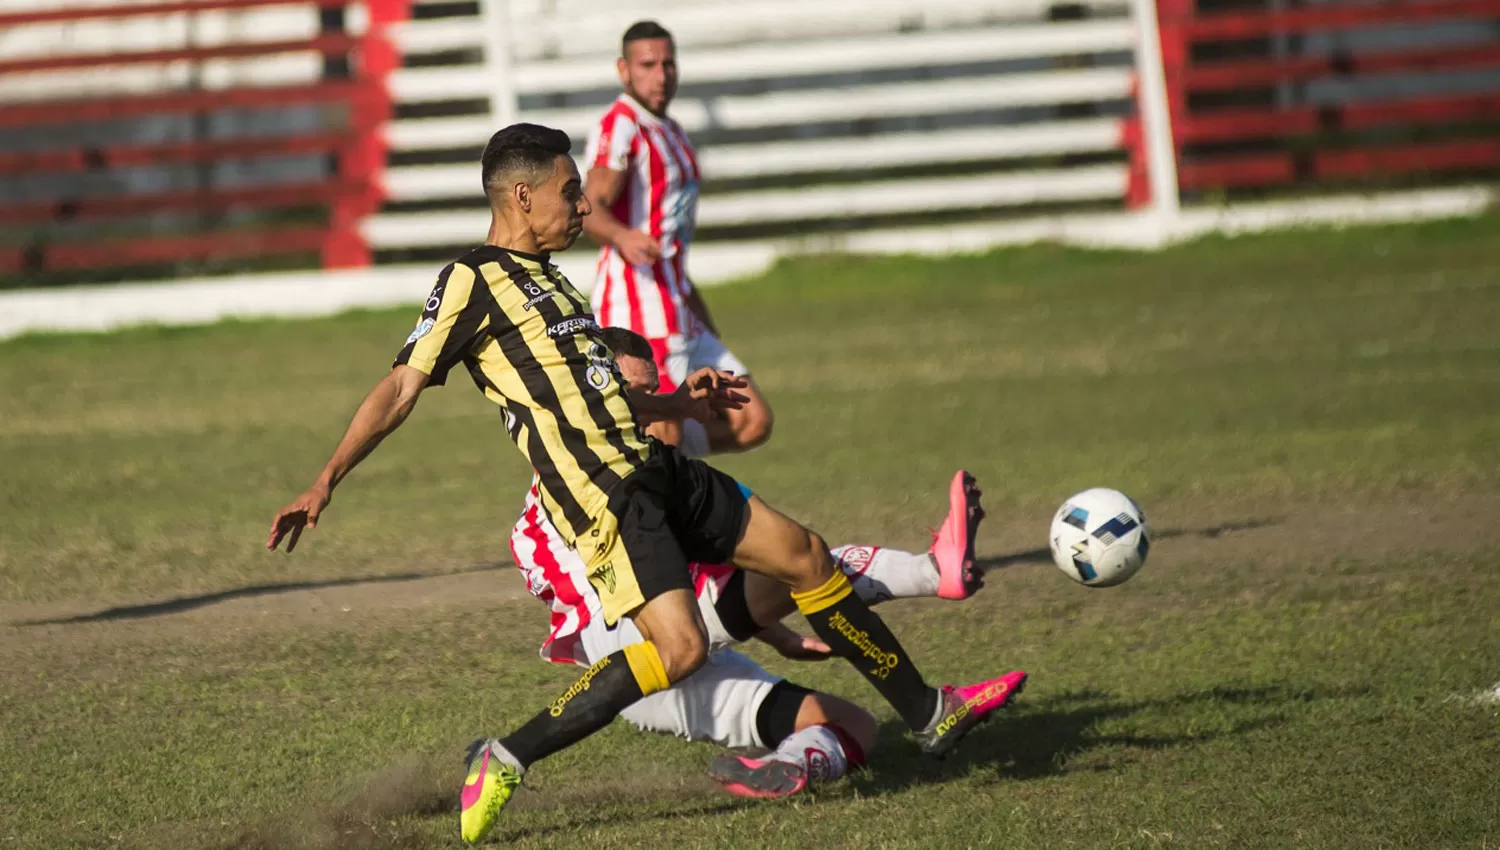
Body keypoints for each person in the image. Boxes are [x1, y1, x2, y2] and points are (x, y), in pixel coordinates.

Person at [266, 123, 1025, 846]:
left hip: (657, 467)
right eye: (571, 192)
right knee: (683, 648)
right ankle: (506, 758)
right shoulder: (472, 279)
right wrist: (325, 480)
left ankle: (929, 714)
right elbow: (402, 387)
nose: (584, 206)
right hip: (608, 497)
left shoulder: (556, 285)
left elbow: (598, 393)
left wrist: (674, 405)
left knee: (805, 555)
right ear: (521, 196)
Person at [510, 325, 992, 798]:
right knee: (806, 561)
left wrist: (777, 634)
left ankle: (790, 763)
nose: (655, 414)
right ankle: (934, 573)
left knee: (855, 724)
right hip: (630, 648)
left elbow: (698, 574)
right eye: (636, 397)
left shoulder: (634, 468)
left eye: (654, 393)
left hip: (668, 665)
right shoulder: (606, 480)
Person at [583, 20, 773, 456]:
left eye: (668, 63)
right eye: (647, 64)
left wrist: (699, 312)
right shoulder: (621, 126)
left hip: (677, 301)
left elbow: (673, 244)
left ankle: (664, 486)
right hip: (637, 305)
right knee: (662, 426)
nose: (661, 74)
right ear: (623, 69)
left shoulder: (671, 130)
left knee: (751, 420)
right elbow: (590, 202)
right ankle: (655, 509)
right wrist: (622, 236)